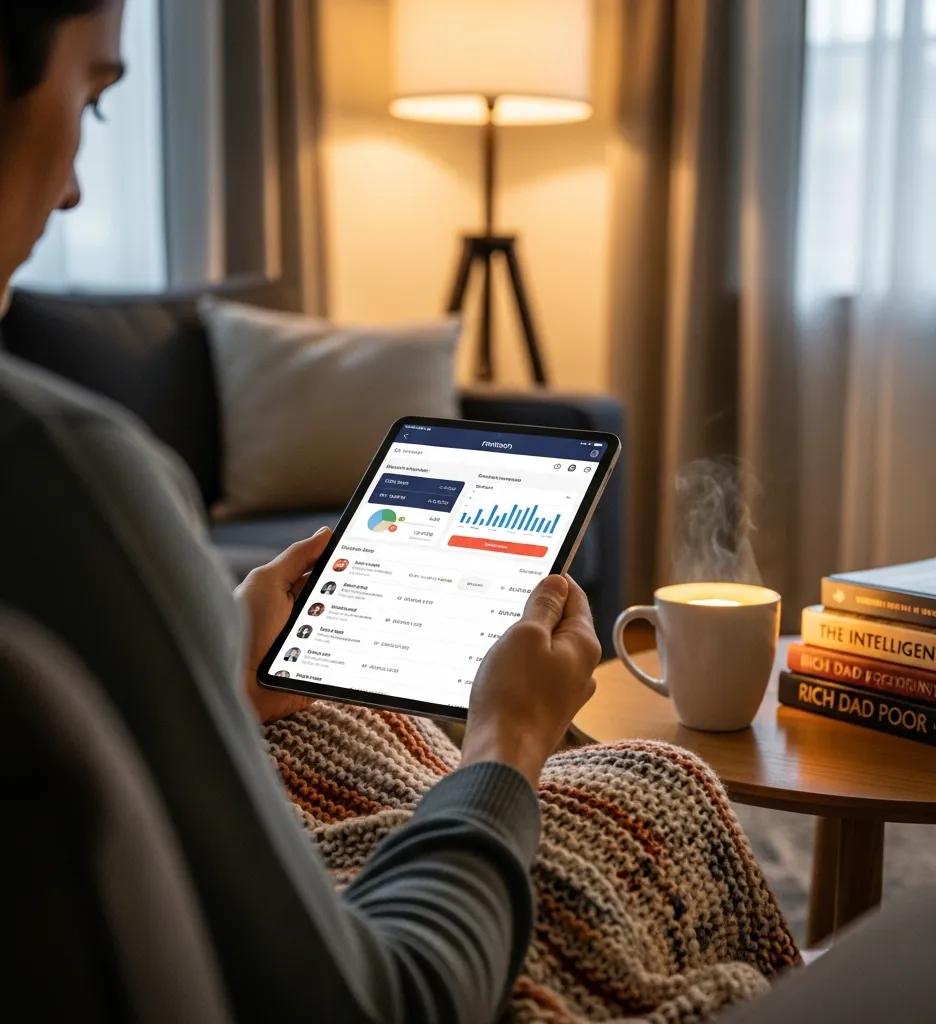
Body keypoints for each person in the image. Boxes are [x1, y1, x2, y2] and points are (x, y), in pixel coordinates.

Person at [0, 4, 801, 1022]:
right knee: (657, 778)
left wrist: (218, 683)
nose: (72, 188)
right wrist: (507, 740)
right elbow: (388, 1002)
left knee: (352, 707)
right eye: (94, 102)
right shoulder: (68, 475)